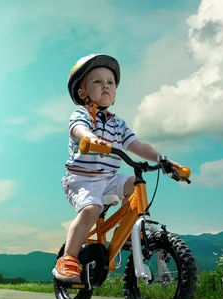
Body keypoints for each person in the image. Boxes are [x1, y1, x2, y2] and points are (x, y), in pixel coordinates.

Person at [53, 53, 182, 283]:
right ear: (83, 93)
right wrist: (90, 138)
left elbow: (137, 145)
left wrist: (163, 159)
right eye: (97, 81)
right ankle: (68, 258)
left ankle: (130, 233)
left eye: (110, 82)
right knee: (91, 210)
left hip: (109, 178)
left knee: (135, 183)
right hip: (81, 180)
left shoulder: (118, 124)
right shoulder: (81, 115)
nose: (105, 85)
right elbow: (78, 130)